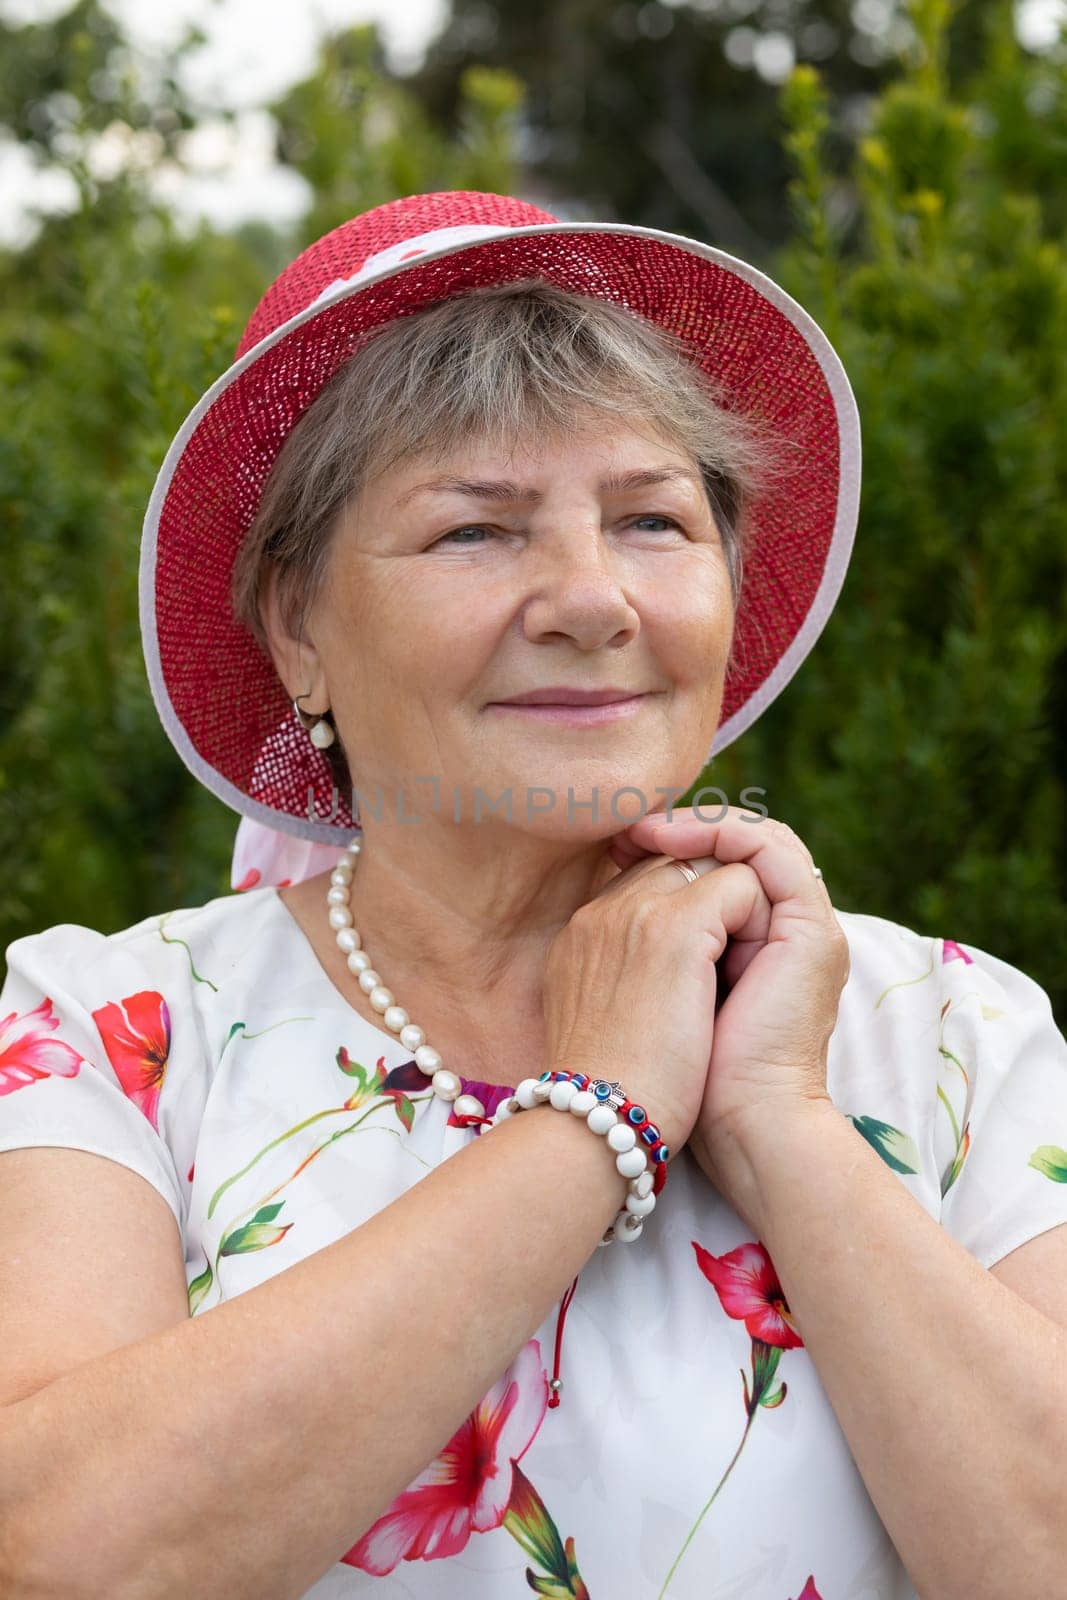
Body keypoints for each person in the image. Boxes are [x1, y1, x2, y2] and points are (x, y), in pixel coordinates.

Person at [1, 189, 1066, 1600]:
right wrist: (599, 1117)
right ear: (297, 625)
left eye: (651, 523)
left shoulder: (947, 1033)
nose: (590, 598)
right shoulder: (111, 1032)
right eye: (477, 532)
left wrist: (781, 1123)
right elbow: (61, 1558)